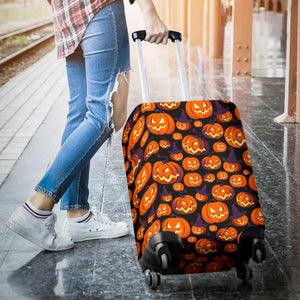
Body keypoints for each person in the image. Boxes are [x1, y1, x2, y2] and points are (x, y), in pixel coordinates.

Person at [7, 0, 169, 251]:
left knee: (80, 112)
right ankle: (37, 207)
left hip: (67, 15)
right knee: (103, 115)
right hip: (100, 8)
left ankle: (77, 214)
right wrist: (150, 13)